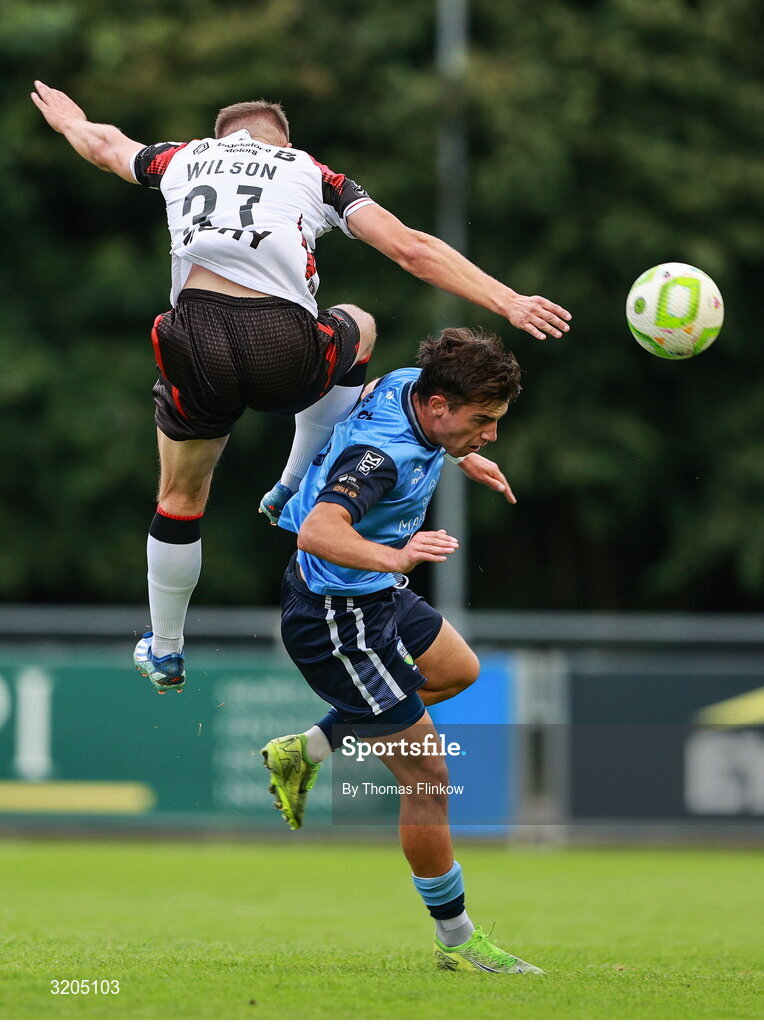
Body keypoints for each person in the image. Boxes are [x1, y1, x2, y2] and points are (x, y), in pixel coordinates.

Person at [31, 81, 571, 695]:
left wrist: (70, 121)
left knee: (180, 497)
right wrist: (508, 300)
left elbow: (103, 145)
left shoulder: (180, 157)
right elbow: (412, 250)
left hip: (196, 344)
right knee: (358, 323)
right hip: (282, 346)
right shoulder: (309, 172)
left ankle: (166, 647)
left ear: (219, 139)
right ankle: (296, 479)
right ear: (284, 142)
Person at [261, 327, 543, 974]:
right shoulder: (380, 456)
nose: (493, 433)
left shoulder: (406, 390)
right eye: (484, 422)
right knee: (429, 776)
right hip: (337, 618)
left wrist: (462, 454)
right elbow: (317, 529)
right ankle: (459, 942)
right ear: (440, 407)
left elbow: (419, 432)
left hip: (375, 595)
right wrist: (398, 554)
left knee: (456, 670)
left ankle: (303, 751)